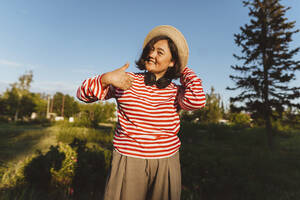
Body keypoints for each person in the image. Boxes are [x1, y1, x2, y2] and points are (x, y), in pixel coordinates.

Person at [77, 25, 206, 200]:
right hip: (128, 161)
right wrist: (105, 79)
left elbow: (198, 100)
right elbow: (83, 94)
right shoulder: (126, 80)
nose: (152, 54)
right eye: (151, 50)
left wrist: (183, 69)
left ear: (172, 61)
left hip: (166, 162)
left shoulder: (176, 91)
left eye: (160, 52)